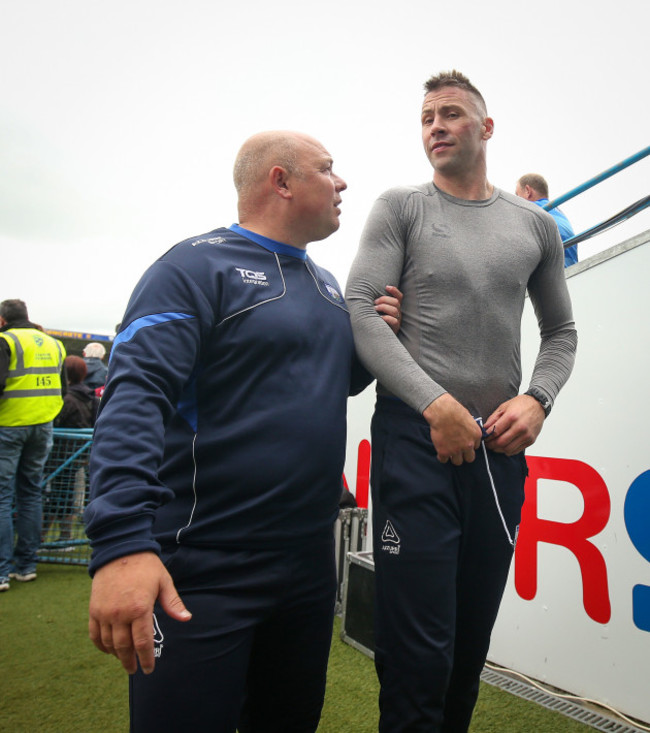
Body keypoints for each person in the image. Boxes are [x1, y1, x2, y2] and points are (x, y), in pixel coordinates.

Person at [84, 131, 402, 732]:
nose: (342, 183)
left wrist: (374, 342)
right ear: (280, 181)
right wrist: (121, 544)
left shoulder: (329, 285)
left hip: (307, 568)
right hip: (203, 567)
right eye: (327, 170)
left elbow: (326, 384)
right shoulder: (192, 267)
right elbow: (135, 398)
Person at [345, 70, 577, 732]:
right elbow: (362, 310)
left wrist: (538, 399)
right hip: (414, 444)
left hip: (498, 454)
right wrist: (433, 404)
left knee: (467, 651)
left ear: (486, 127)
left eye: (450, 113)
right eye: (426, 118)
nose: (436, 126)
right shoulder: (400, 206)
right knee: (417, 657)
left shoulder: (533, 223)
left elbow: (561, 332)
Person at [0, 299, 66, 591]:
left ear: (3, 319)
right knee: (31, 494)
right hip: (44, 425)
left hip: (9, 425)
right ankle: (25, 565)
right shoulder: (54, 344)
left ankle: (1, 571)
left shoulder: (6, 341)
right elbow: (61, 387)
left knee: (2, 498)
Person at [43, 356, 99, 544]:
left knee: (57, 496)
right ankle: (62, 537)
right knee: (66, 496)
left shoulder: (66, 399)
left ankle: (54, 538)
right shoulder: (90, 396)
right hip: (79, 454)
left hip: (62, 455)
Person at [516, 173, 578, 267]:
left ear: (528, 191)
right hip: (571, 268)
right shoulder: (557, 211)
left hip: (553, 273)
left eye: (517, 195)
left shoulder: (531, 209)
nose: (516, 200)